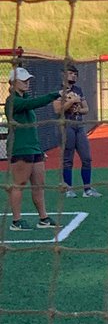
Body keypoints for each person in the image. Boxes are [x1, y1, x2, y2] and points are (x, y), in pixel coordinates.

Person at [4, 67, 64, 231]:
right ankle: (16, 221)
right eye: (23, 80)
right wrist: (55, 94)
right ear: (13, 82)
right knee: (19, 183)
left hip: (33, 148)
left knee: (39, 184)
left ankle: (43, 218)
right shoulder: (13, 101)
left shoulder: (25, 99)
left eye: (27, 80)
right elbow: (32, 103)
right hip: (20, 148)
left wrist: (38, 148)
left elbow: (31, 126)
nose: (27, 82)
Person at [53, 62, 100, 198]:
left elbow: (86, 109)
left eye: (75, 74)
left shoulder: (78, 90)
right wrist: (71, 102)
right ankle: (68, 189)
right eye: (71, 73)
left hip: (79, 126)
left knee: (87, 158)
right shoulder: (58, 91)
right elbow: (57, 109)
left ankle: (87, 189)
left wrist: (79, 108)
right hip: (65, 126)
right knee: (68, 159)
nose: (74, 76)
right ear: (64, 74)